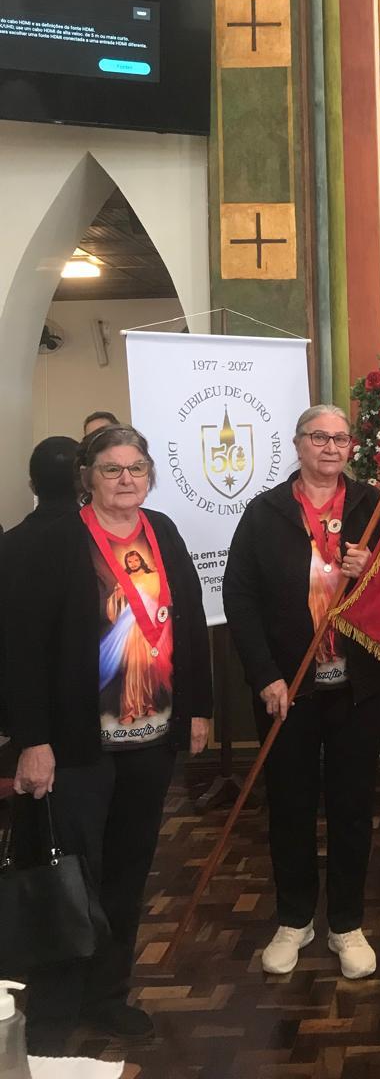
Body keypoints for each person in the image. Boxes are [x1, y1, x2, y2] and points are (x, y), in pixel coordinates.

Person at [4, 425, 211, 1051]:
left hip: (151, 740)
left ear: (150, 475)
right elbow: (23, 651)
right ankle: (53, 1012)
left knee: (126, 875)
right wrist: (32, 742)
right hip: (76, 747)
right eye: (112, 469)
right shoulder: (58, 541)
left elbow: (192, 621)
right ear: (87, 478)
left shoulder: (164, 533)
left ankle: (107, 995)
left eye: (137, 468)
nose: (126, 480)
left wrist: (197, 709)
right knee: (69, 879)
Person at [223, 404, 380, 980]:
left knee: (350, 808)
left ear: (351, 448)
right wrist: (265, 674)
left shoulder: (374, 507)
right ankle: (295, 918)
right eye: (319, 436)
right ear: (297, 444)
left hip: (356, 687)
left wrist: (374, 572)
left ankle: (346, 922)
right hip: (286, 691)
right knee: (290, 806)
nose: (330, 447)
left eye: (341, 438)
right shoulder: (265, 511)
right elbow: (239, 598)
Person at [0, 437, 80, 731]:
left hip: (24, 703)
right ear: (84, 481)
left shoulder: (7, 546)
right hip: (91, 701)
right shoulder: (98, 543)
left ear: (32, 486)